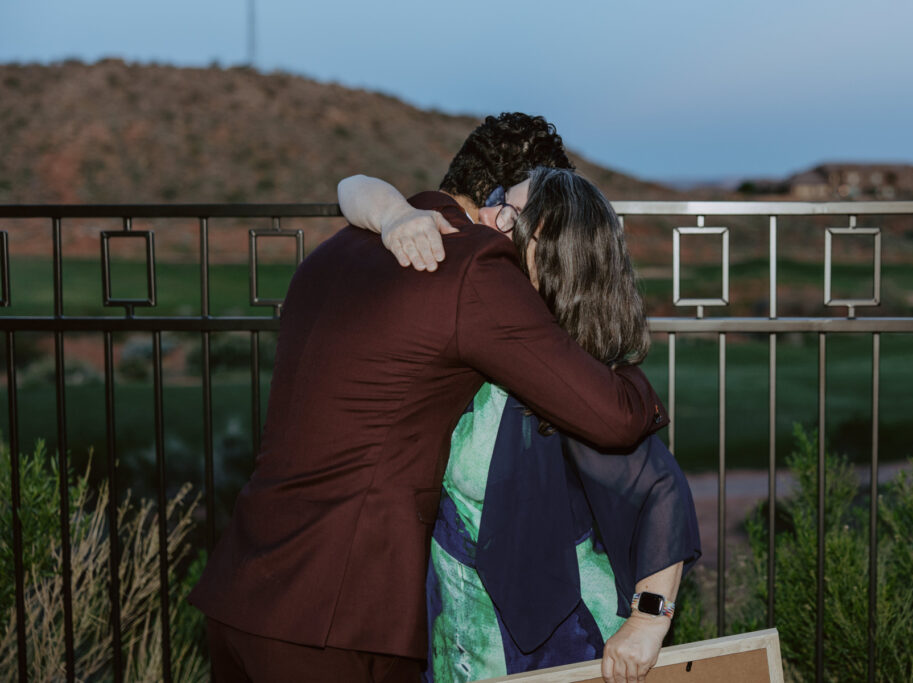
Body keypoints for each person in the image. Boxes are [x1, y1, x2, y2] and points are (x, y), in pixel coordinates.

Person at [187, 113, 667, 683]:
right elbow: (610, 418)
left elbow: (352, 187)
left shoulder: (336, 251)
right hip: (338, 618)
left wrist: (385, 207)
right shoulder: (473, 265)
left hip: (243, 589)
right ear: (499, 205)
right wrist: (622, 356)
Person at [338, 167, 701, 683]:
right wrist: (396, 215)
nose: (487, 213)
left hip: (547, 641)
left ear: (547, 246)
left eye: (507, 210)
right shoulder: (476, 318)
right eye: (494, 200)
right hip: (455, 626)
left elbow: (660, 488)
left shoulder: (568, 376)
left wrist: (647, 621)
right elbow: (351, 187)